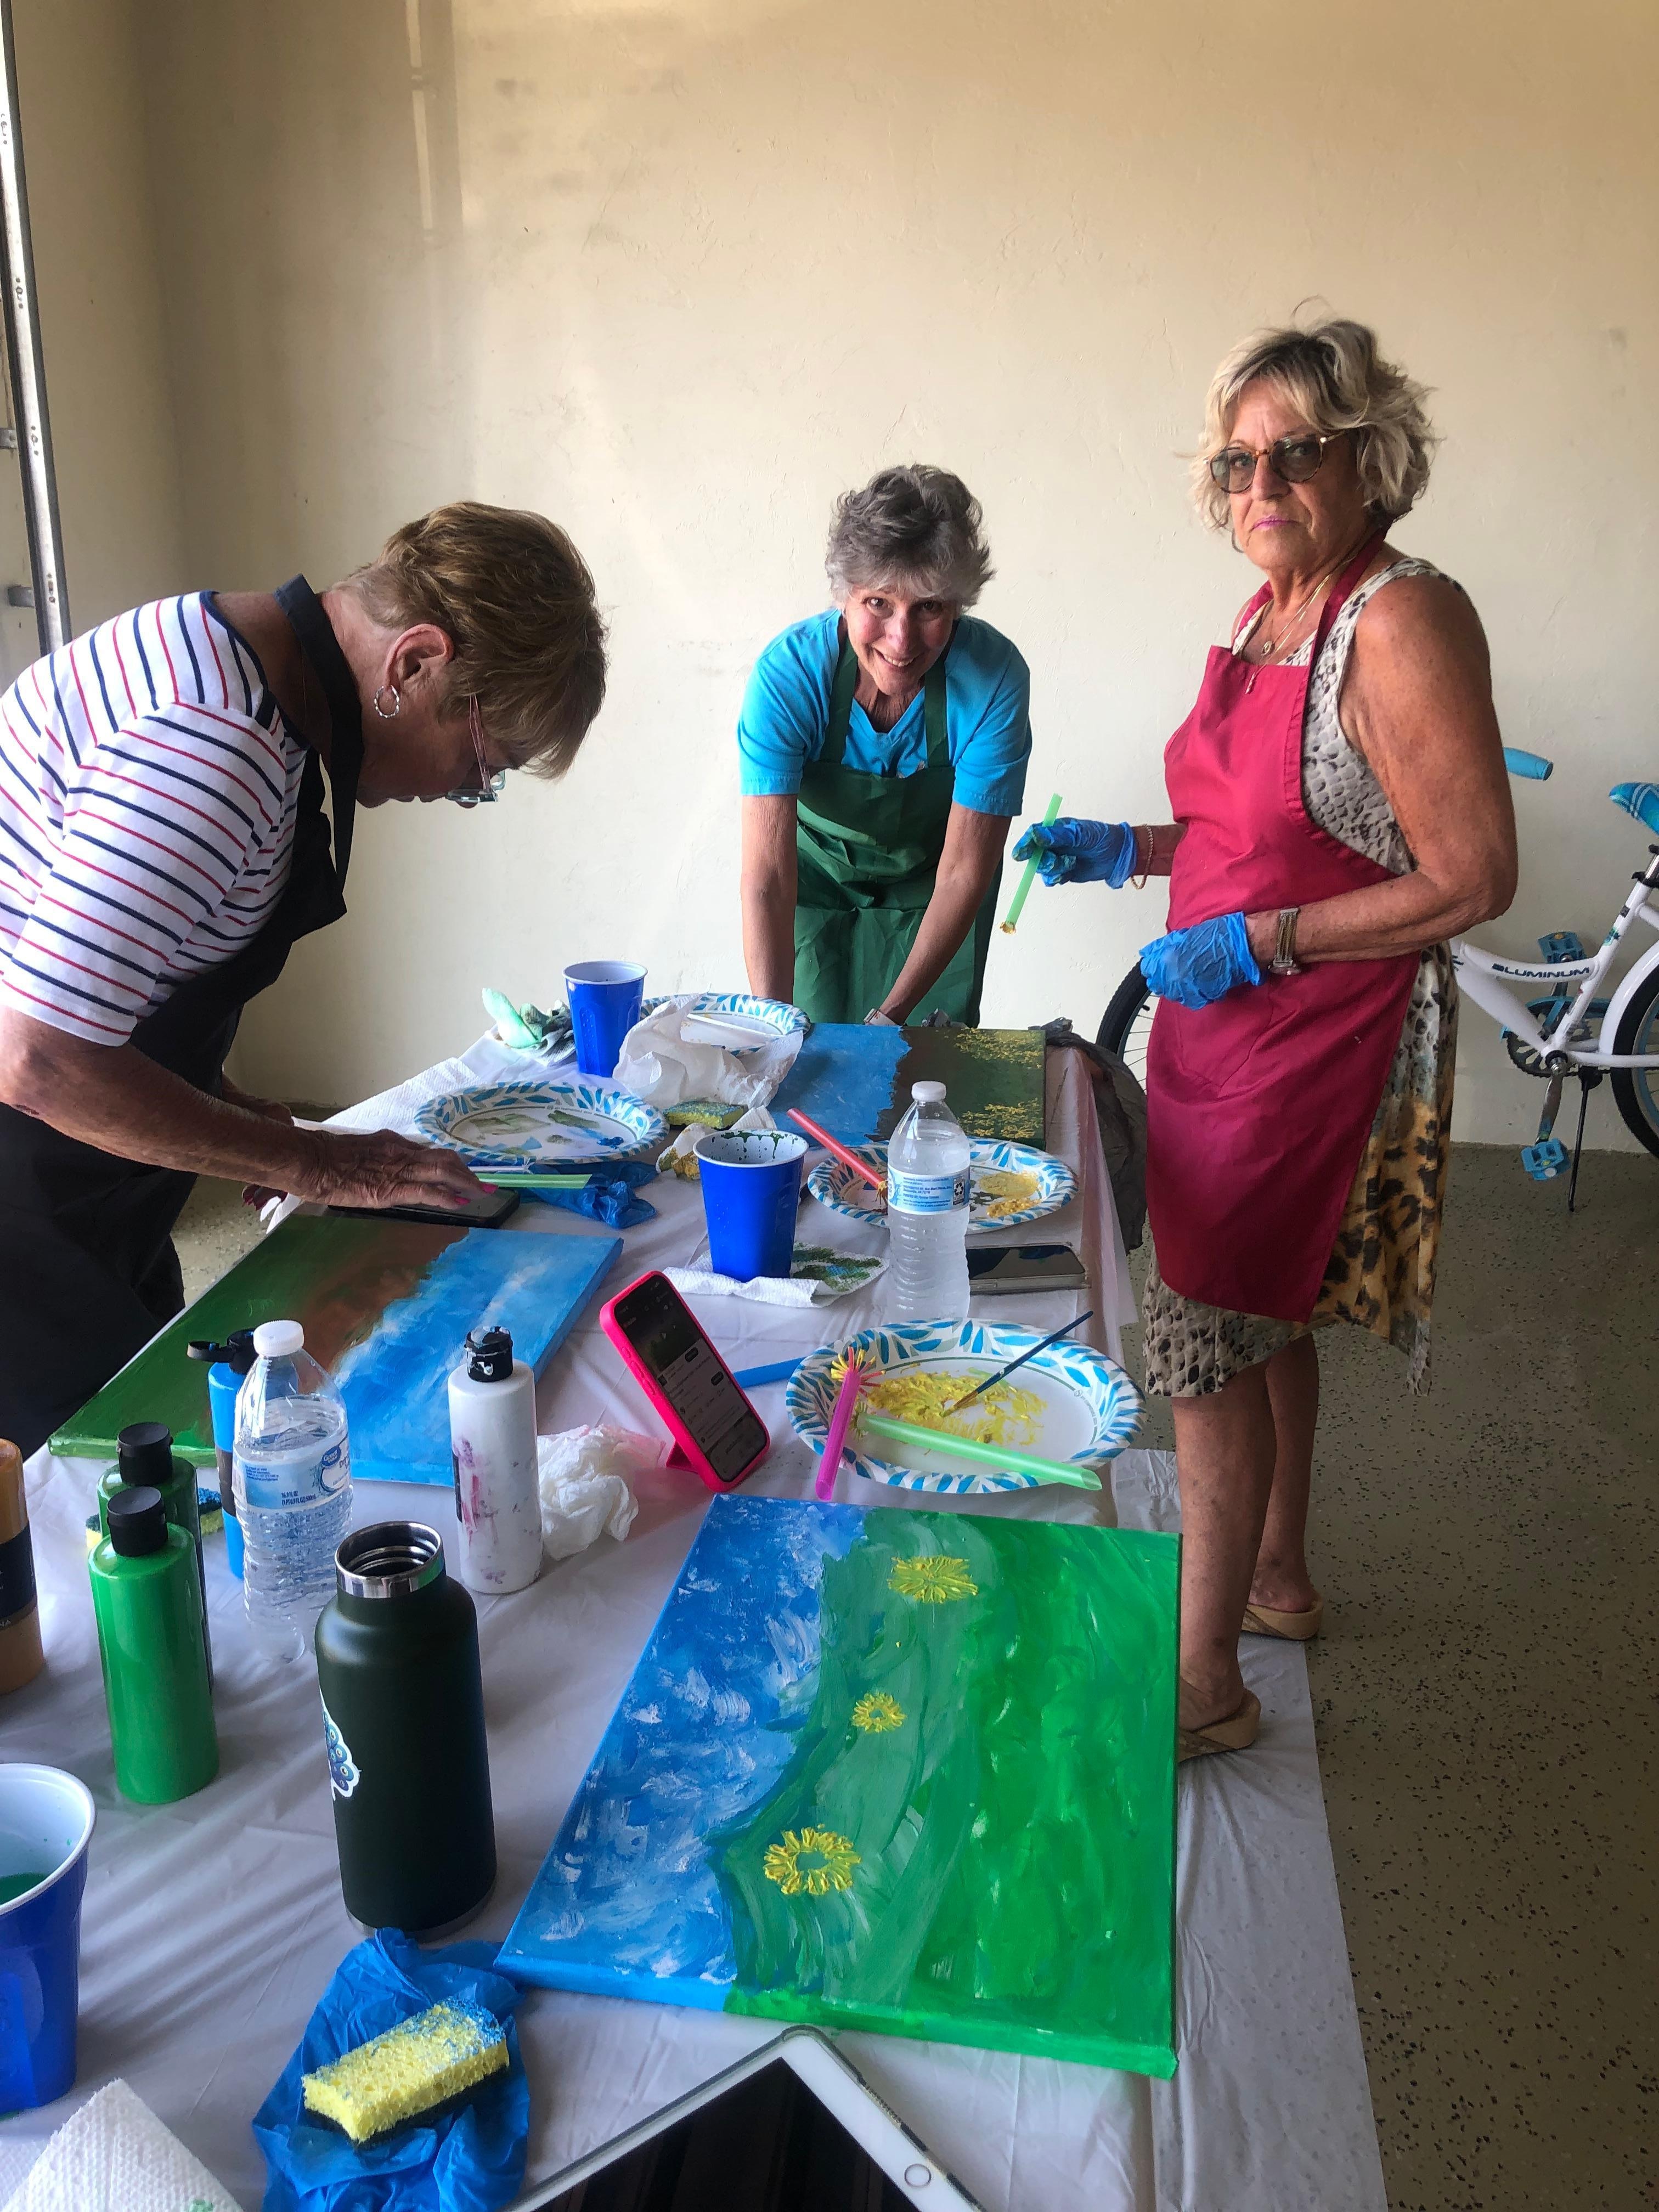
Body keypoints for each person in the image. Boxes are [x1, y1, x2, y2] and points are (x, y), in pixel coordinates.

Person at [1017, 319, 1516, 1759]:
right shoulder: (1266, 613)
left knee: (1206, 1345)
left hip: (1305, 1046)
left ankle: (1204, 1692)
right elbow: (1264, 831)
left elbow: (1473, 874)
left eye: (1296, 449)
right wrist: (1134, 848)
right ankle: (1279, 1576)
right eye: (1239, 458)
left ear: (1369, 456)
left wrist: (1268, 942)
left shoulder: (1401, 618)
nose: (1263, 480)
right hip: (1220, 1031)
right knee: (1259, 1320)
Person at [0, 502, 607, 1457]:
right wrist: (317, 1163)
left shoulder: (240, 664)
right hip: (22, 1191)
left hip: (89, 1171)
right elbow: (43, 1057)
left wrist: (237, 1114)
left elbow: (114, 974)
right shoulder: (216, 748)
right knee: (80, 1502)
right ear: (414, 664)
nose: (458, 794)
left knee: (155, 1423)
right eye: (480, 767)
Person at [737, 466, 1031, 1025]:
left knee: (926, 1073)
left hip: (934, 888)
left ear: (958, 606)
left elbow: (965, 870)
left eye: (929, 608)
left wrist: (891, 1017)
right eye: (878, 604)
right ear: (844, 594)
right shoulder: (791, 675)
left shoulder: (993, 679)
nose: (902, 640)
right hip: (813, 885)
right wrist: (771, 1031)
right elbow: (769, 878)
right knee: (806, 1058)